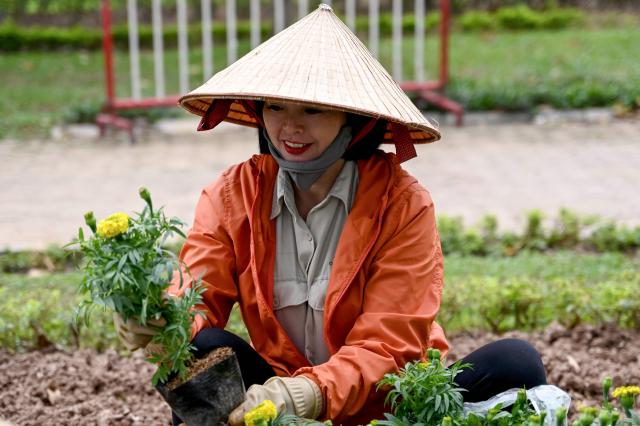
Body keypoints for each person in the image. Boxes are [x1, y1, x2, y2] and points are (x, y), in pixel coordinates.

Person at [114, 4, 546, 425]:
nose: (289, 127)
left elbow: (389, 344)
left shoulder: (403, 205)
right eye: (276, 108)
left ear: (353, 121)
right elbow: (199, 293)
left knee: (516, 364)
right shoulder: (235, 194)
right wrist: (161, 318)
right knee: (197, 349)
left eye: (312, 110)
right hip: (276, 403)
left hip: (393, 405)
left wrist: (308, 394)